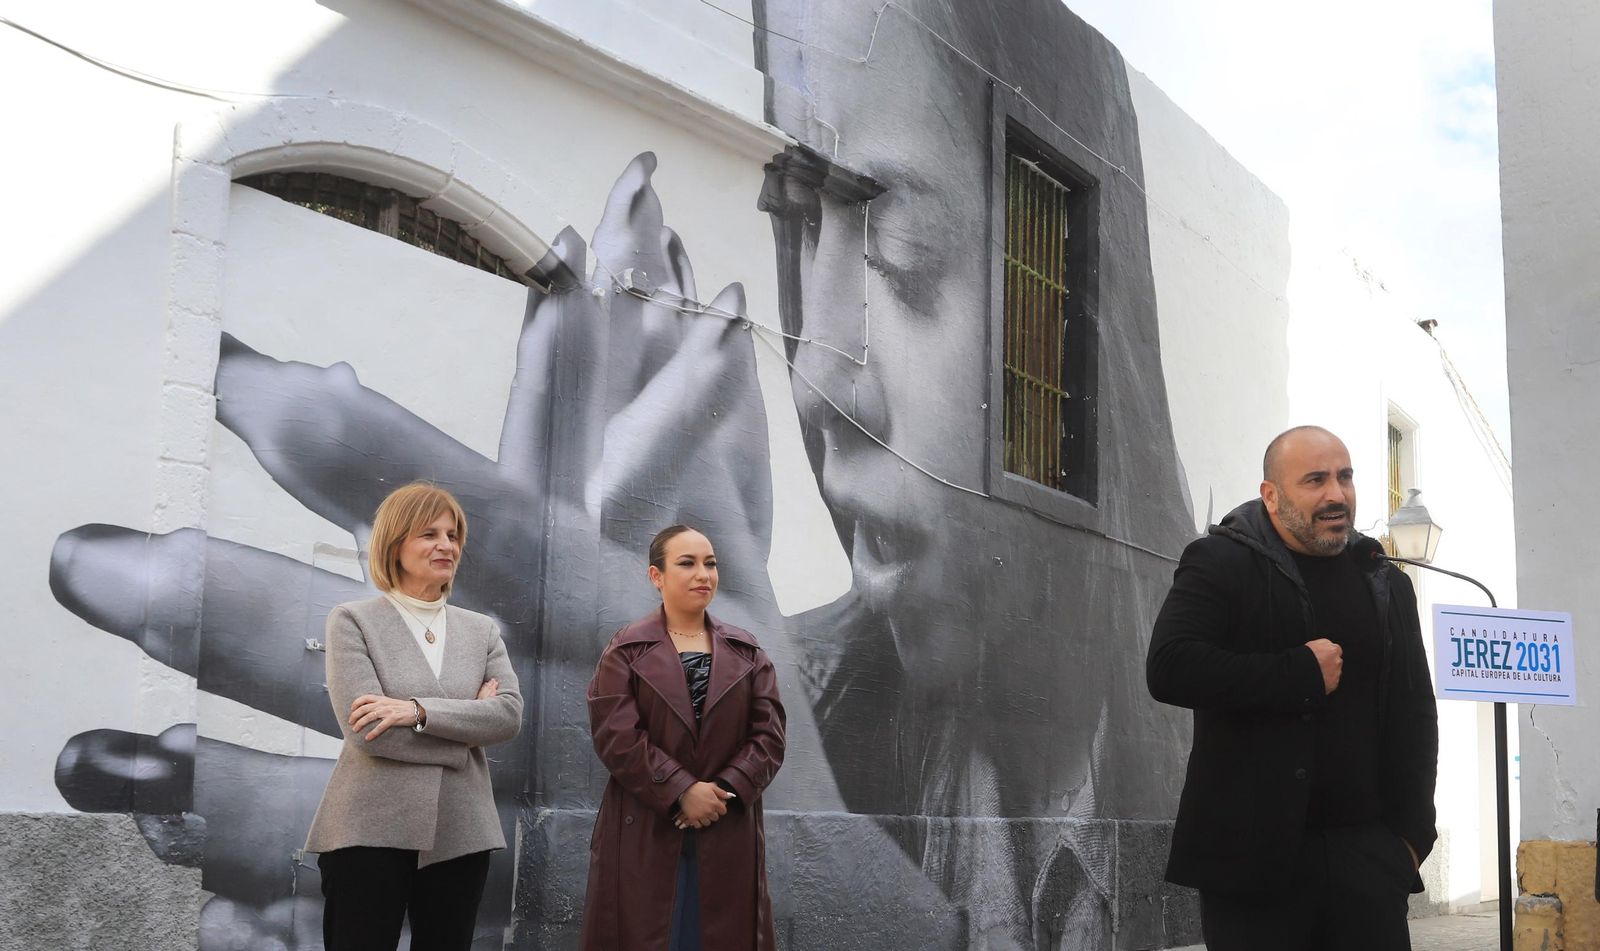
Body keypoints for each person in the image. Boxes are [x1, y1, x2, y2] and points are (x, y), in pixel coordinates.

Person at [1147, 426, 1439, 950]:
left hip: (1368, 861)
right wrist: (1298, 674)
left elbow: (1414, 712)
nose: (1336, 494)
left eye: (1344, 477)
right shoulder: (1219, 562)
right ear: (1271, 494)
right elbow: (1170, 666)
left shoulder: (1383, 580)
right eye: (1315, 480)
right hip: (1252, 863)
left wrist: (1412, 837)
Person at [304, 481, 523, 950]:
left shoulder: (480, 630)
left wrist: (415, 711)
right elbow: (368, 733)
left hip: (461, 828)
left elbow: (507, 717)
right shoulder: (353, 620)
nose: (446, 545)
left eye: (453, 534)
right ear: (395, 544)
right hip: (368, 825)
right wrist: (465, 731)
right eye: (429, 534)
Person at [582, 524, 786, 950]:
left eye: (710, 564)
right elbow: (617, 737)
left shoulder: (748, 653)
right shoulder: (626, 650)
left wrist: (720, 793)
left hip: (726, 825)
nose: (703, 574)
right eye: (687, 563)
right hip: (646, 826)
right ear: (656, 576)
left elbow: (769, 736)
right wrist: (681, 790)